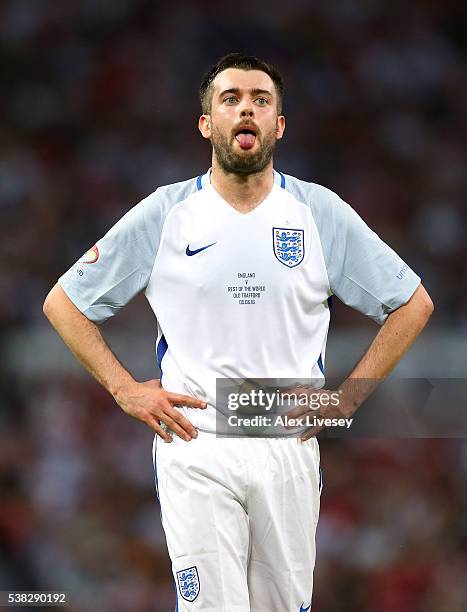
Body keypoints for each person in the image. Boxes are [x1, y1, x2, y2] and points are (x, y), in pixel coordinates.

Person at [43, 53, 433, 611]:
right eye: (230, 99)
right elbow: (64, 302)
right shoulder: (167, 213)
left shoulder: (318, 213)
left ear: (278, 124)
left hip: (287, 440)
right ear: (207, 123)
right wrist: (124, 389)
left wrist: (349, 396)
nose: (244, 109)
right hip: (196, 441)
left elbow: (412, 303)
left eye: (260, 99)